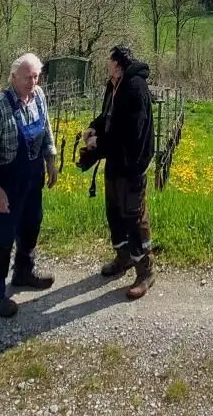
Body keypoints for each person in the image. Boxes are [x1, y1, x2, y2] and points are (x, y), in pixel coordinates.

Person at [0, 52, 59, 318]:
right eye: (27, 77)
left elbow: (46, 130)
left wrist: (51, 161)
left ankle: (24, 272)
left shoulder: (39, 97)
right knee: (2, 237)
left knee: (31, 226)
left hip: (33, 179)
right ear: (13, 77)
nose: (32, 82)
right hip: (8, 183)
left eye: (36, 77)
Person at [84, 44, 155, 299]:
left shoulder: (134, 88)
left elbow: (129, 134)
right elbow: (109, 117)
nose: (106, 64)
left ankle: (145, 271)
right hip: (115, 160)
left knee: (133, 215)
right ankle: (123, 257)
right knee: (114, 212)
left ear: (118, 64)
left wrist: (99, 144)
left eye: (109, 61)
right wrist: (94, 128)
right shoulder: (114, 84)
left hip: (132, 163)